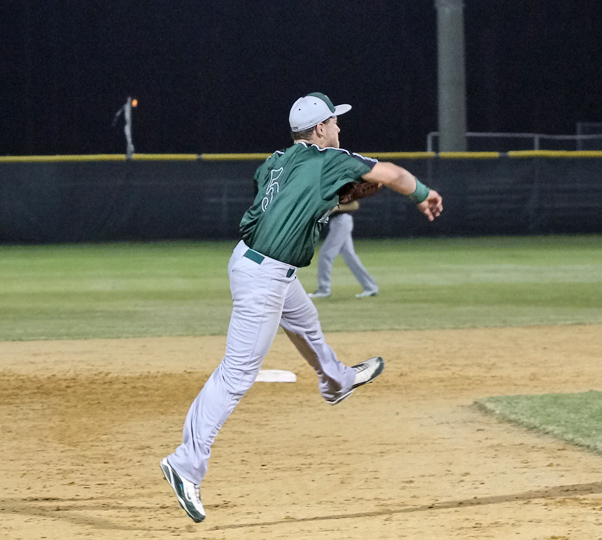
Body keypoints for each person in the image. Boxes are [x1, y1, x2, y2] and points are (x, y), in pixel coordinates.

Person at [159, 92, 443, 523]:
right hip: (264, 276)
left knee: (307, 323)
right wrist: (423, 193)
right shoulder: (330, 159)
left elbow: (283, 202)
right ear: (320, 129)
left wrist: (332, 196)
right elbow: (393, 173)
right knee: (236, 374)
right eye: (334, 122)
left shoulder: (275, 161)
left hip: (258, 263)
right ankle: (185, 463)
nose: (339, 128)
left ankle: (337, 380)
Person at [308, 199, 379, 299]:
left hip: (341, 221)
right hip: (338, 221)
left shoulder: (341, 189)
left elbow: (355, 204)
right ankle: (370, 287)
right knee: (349, 255)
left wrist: (336, 208)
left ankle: (324, 289)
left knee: (326, 254)